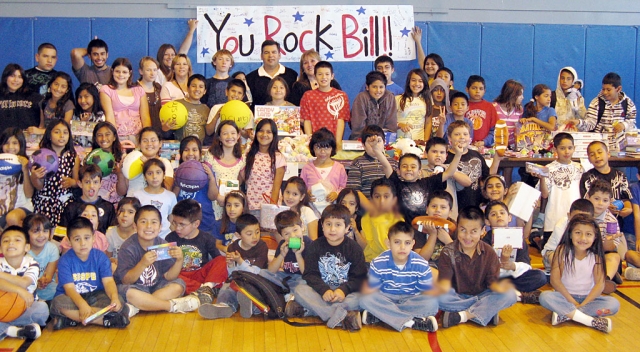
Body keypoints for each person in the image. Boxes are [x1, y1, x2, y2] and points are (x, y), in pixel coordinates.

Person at [286, 205, 367, 331]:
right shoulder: (315, 246)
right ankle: (339, 316)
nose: (332, 229)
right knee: (300, 289)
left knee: (363, 297)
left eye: (338, 225)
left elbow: (359, 278)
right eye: (328, 224)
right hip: (321, 291)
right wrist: (323, 290)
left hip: (345, 293)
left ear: (347, 228)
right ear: (322, 226)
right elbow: (310, 274)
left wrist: (343, 290)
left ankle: (314, 310)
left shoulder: (354, 248)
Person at [438, 206, 517, 328]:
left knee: (510, 294)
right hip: (457, 296)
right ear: (457, 229)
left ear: (483, 231)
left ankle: (463, 316)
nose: (468, 237)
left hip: (482, 294)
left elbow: (492, 284)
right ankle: (485, 311)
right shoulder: (448, 252)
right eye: (463, 230)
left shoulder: (489, 252)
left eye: (474, 231)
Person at [539, 214, 619, 333]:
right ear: (570, 234)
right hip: (565, 297)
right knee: (545, 297)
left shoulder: (596, 256)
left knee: (614, 304)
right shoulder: (562, 251)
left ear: (595, 237)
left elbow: (599, 285)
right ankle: (590, 321)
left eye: (588, 234)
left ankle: (567, 315)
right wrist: (572, 301)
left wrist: (583, 304)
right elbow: (555, 280)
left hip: (589, 299)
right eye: (578, 233)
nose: (583, 238)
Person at [114, 205, 199, 314]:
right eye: (143, 222)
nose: (149, 226)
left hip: (156, 287)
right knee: (129, 293)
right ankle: (172, 306)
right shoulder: (128, 247)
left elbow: (169, 276)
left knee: (178, 285)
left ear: (160, 227)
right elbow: (126, 280)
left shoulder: (162, 245)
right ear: (135, 226)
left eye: (154, 222)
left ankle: (141, 305)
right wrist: (142, 264)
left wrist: (179, 260)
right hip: (135, 287)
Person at [50, 218, 129, 330]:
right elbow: (69, 289)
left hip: (96, 295)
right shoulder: (65, 261)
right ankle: (106, 320)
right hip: (72, 298)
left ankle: (72, 319)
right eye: (77, 239)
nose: (83, 243)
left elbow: (108, 282)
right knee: (57, 303)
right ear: (68, 241)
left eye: (86, 238)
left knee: (119, 302)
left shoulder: (100, 257)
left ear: (93, 238)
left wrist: (114, 298)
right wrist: (82, 305)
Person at [360, 221, 438, 332]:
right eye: (397, 242)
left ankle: (382, 316)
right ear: (388, 243)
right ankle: (411, 322)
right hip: (386, 298)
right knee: (365, 299)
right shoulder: (378, 262)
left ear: (412, 244)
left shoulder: (421, 263)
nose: (402, 247)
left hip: (410, 298)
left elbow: (426, 291)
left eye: (407, 243)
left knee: (432, 303)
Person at [197, 214, 268, 319]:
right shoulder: (232, 247)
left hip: (256, 281)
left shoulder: (262, 246)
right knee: (227, 287)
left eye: (257, 232)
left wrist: (239, 261)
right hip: (239, 280)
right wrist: (230, 266)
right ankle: (224, 306)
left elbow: (255, 273)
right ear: (238, 235)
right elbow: (232, 274)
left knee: (252, 291)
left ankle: (251, 306)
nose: (255, 236)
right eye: (249, 233)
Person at [483, 201, 547, 303]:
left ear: (509, 218)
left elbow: (526, 265)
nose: (498, 216)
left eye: (502, 213)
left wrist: (512, 265)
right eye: (493, 214)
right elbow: (484, 268)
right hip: (495, 278)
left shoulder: (517, 238)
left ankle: (509, 293)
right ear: (487, 221)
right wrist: (501, 262)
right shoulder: (485, 242)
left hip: (514, 278)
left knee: (540, 276)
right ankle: (520, 296)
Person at [165, 199, 227, 300]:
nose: (177, 228)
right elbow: (167, 267)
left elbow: (217, 261)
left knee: (223, 260)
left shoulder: (207, 238)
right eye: (175, 223)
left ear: (196, 224)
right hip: (180, 276)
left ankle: (207, 287)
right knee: (169, 277)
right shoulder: (170, 238)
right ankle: (206, 290)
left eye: (182, 224)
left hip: (200, 274)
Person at [530, 133, 584, 248]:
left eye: (570, 148)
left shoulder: (580, 168)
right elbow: (544, 194)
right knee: (553, 250)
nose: (566, 152)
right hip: (553, 217)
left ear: (574, 148)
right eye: (562, 148)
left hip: (575, 217)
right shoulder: (548, 169)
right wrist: (542, 178)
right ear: (555, 149)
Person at [0, 226, 49, 340]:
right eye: (6, 241)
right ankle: (15, 331)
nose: (11, 243)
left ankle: (6, 329)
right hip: (1, 308)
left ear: (27, 247)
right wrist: (18, 290)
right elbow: (19, 287)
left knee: (42, 309)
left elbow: (24, 283)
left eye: (17, 240)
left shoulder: (32, 264)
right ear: (1, 248)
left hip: (25, 309)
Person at [30, 120, 79, 227]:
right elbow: (39, 186)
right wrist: (34, 177)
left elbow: (77, 182)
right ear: (49, 135)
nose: (62, 136)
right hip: (45, 202)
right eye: (57, 132)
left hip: (65, 203)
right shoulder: (40, 156)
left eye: (65, 133)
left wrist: (72, 182)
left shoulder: (73, 157)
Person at [445, 120, 500, 210]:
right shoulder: (446, 157)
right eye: (457, 134)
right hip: (455, 206)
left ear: (470, 137)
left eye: (465, 134)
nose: (462, 137)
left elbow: (488, 176)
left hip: (476, 204)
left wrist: (497, 159)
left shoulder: (476, 155)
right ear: (449, 138)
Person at [584, 179, 625, 293]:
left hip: (601, 253)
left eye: (605, 200)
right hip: (582, 252)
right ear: (588, 197)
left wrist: (608, 241)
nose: (600, 203)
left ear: (610, 201)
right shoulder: (581, 215)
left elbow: (610, 248)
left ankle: (605, 280)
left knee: (614, 257)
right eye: (596, 199)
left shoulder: (611, 221)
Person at [240, 119, 285, 218]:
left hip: (269, 207)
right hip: (250, 207)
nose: (264, 134)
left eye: (269, 132)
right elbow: (241, 180)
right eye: (261, 130)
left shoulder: (278, 157)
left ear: (274, 135)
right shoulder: (248, 155)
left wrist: (271, 209)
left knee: (267, 234)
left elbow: (276, 188)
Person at [579, 141, 632, 226]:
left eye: (600, 152)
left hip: (617, 222)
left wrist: (628, 208)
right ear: (589, 159)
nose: (597, 156)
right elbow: (587, 200)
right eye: (592, 154)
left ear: (608, 154)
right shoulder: (587, 177)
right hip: (595, 223)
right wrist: (605, 207)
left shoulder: (620, 175)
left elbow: (626, 198)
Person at [172, 136, 218, 234]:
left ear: (200, 153)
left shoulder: (206, 171)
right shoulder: (176, 172)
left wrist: (211, 178)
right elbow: (172, 198)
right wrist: (177, 180)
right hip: (182, 224)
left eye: (194, 150)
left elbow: (213, 197)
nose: (190, 153)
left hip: (205, 223)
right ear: (181, 153)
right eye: (186, 150)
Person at [300, 61, 350, 148]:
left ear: (332, 76)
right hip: (315, 142)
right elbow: (307, 120)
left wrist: (337, 142)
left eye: (327, 74)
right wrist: (310, 141)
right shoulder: (308, 96)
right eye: (320, 74)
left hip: (333, 141)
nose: (324, 77)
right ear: (315, 76)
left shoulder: (341, 96)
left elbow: (341, 120)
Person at [101, 57, 151, 143]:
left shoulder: (139, 90)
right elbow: (109, 117)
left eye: (124, 72)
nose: (121, 75)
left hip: (138, 137)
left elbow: (145, 117)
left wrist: (146, 138)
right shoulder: (106, 90)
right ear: (112, 72)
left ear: (130, 73)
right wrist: (115, 140)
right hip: (118, 137)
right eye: (117, 71)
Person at [203, 120, 245, 220]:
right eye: (225, 133)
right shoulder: (210, 156)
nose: (229, 136)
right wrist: (218, 197)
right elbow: (205, 180)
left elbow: (240, 180)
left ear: (238, 135)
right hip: (212, 203)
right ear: (219, 137)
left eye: (233, 133)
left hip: (231, 207)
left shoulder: (242, 158)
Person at [59, 164, 116, 234]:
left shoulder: (108, 208)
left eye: (95, 182)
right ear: (80, 184)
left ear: (100, 184)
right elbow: (61, 237)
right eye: (87, 182)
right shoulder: (71, 208)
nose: (91, 186)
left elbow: (112, 237)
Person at [261, 211, 311, 291]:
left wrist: (298, 254)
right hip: (287, 277)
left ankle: (289, 293)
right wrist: (281, 255)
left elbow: (307, 274)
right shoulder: (282, 245)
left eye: (295, 230)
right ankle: (287, 292)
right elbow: (271, 271)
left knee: (304, 285)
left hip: (301, 278)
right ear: (282, 236)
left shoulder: (308, 243)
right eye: (287, 234)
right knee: (263, 273)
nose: (293, 236)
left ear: (302, 227)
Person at [301, 128, 347, 214]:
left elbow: (344, 187)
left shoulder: (339, 168)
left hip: (334, 212)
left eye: (326, 147)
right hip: (311, 213)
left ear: (332, 148)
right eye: (318, 147)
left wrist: (337, 194)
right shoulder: (307, 168)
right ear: (312, 148)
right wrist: (307, 195)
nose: (322, 151)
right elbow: (302, 188)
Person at [346, 125, 398, 202]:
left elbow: (399, 187)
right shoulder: (358, 163)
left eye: (379, 141)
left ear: (384, 142)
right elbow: (354, 190)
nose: (375, 145)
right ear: (363, 145)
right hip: (367, 209)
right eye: (370, 142)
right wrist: (371, 208)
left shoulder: (393, 163)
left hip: (390, 208)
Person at [580, 72, 637, 141]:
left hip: (619, 146)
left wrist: (624, 125)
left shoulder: (628, 104)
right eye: (603, 89)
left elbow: (632, 122)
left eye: (608, 90)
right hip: (600, 146)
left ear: (618, 89)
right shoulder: (596, 103)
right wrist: (579, 123)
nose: (605, 92)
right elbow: (590, 124)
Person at [542, 199, 595, 273]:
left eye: (584, 218)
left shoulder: (593, 228)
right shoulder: (561, 226)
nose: (579, 222)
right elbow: (565, 249)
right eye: (576, 218)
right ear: (569, 216)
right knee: (559, 259)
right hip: (554, 252)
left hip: (579, 255)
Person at [359, 178, 403, 262]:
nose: (381, 201)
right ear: (371, 199)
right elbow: (370, 246)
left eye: (386, 196)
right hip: (370, 261)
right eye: (377, 196)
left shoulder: (398, 219)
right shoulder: (365, 218)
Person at [121, 127, 174, 196]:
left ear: (160, 143)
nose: (149, 144)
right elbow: (121, 192)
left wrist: (148, 166)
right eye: (145, 141)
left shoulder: (164, 162)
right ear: (139, 144)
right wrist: (121, 172)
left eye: (153, 140)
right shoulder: (131, 161)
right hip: (132, 203)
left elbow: (168, 188)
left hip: (153, 204)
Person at [133, 159, 177, 239]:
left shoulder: (171, 196)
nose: (154, 177)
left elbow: (172, 220)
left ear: (164, 175)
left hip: (165, 238)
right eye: (150, 173)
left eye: (158, 172)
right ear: (144, 176)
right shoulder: (137, 196)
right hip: (144, 237)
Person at [245, 40, 298, 108]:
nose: (270, 55)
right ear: (261, 56)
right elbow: (248, 105)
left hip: (288, 117)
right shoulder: (250, 78)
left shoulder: (292, 75)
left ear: (279, 55)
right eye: (266, 53)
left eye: (274, 52)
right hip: (259, 118)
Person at [0, 128, 34, 228]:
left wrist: (25, 170)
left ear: (21, 144)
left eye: (15, 143)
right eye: (6, 143)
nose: (10, 147)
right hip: (3, 207)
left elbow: (29, 194)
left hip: (22, 207)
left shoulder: (26, 163)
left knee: (12, 218)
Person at [350, 71, 398, 140]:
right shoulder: (361, 98)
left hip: (383, 140)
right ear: (367, 87)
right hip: (363, 139)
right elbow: (358, 126)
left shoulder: (390, 97)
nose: (378, 90)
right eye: (374, 87)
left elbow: (391, 124)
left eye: (381, 87)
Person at [417, 191, 456, 270]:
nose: (438, 210)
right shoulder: (419, 227)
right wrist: (432, 235)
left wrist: (448, 241)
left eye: (443, 207)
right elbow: (420, 261)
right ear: (427, 209)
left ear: (450, 212)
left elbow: (462, 259)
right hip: (427, 271)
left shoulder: (455, 228)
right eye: (434, 206)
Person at [24, 214, 58, 301]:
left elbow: (49, 275)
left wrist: (44, 280)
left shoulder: (52, 248)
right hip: (26, 286)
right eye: (36, 231)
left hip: (47, 287)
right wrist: (34, 284)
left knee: (58, 290)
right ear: (27, 233)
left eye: (45, 231)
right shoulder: (23, 251)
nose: (41, 235)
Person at [90, 121, 125, 205]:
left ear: (114, 137)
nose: (104, 138)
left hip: (116, 203)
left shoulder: (122, 159)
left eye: (107, 134)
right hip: (96, 203)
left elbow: (122, 192)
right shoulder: (90, 159)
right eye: (99, 135)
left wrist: (119, 173)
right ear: (95, 138)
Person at [0, 64, 41, 133]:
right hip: (3, 140)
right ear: (5, 77)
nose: (16, 80)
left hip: (28, 140)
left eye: (20, 77)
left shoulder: (33, 97)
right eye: (12, 76)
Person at [155, 19, 197, 86]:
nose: (170, 57)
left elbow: (184, 49)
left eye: (173, 55)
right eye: (166, 54)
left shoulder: (177, 70)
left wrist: (192, 30)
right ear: (160, 56)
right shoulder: (158, 72)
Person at [137, 57, 170, 140]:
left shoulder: (159, 88)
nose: (152, 73)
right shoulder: (135, 88)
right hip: (141, 133)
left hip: (160, 132)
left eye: (155, 70)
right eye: (148, 70)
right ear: (141, 71)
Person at [396, 69, 431, 141]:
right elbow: (390, 121)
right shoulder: (398, 99)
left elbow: (428, 123)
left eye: (420, 81)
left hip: (419, 142)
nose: (416, 84)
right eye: (413, 80)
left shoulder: (427, 100)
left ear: (425, 83)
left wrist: (425, 141)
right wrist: (400, 125)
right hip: (400, 142)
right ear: (408, 82)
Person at [173, 74, 210, 141]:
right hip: (181, 146)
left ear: (204, 91)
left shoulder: (206, 109)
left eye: (201, 87)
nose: (197, 89)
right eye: (193, 86)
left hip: (198, 148)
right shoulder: (177, 104)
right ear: (188, 88)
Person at [465, 75, 498, 147]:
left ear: (484, 91)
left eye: (481, 89)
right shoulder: (463, 106)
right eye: (474, 88)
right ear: (467, 89)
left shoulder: (489, 107)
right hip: (466, 147)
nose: (477, 91)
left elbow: (495, 130)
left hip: (485, 147)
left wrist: (484, 142)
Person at [71, 83, 106, 148]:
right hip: (77, 151)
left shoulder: (100, 116)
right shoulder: (76, 114)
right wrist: (81, 123)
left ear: (94, 97)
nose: (82, 101)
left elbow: (98, 138)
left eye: (86, 96)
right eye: (80, 97)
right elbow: (72, 138)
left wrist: (86, 124)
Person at [492, 79, 524, 148]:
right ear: (512, 94)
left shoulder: (519, 110)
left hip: (512, 146)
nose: (522, 97)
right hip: (497, 146)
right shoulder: (494, 108)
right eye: (520, 95)